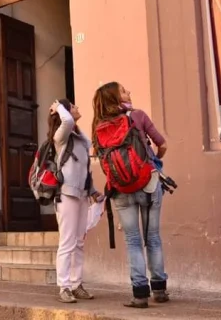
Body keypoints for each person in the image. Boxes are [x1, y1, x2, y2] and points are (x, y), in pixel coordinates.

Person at [91, 82, 169, 308]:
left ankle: (140, 294)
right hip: (149, 183)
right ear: (116, 98)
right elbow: (162, 144)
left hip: (120, 190)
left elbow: (101, 159)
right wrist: (152, 158)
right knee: (152, 238)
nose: (129, 92)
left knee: (133, 241)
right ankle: (160, 289)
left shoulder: (98, 126)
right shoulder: (138, 116)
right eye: (124, 91)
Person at [48, 98, 102, 304]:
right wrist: (59, 107)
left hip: (82, 194)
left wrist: (93, 191)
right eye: (73, 105)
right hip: (66, 195)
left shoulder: (79, 138)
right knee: (67, 242)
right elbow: (68, 121)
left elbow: (86, 165)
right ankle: (64, 286)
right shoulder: (61, 136)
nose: (77, 107)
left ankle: (77, 284)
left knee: (79, 242)